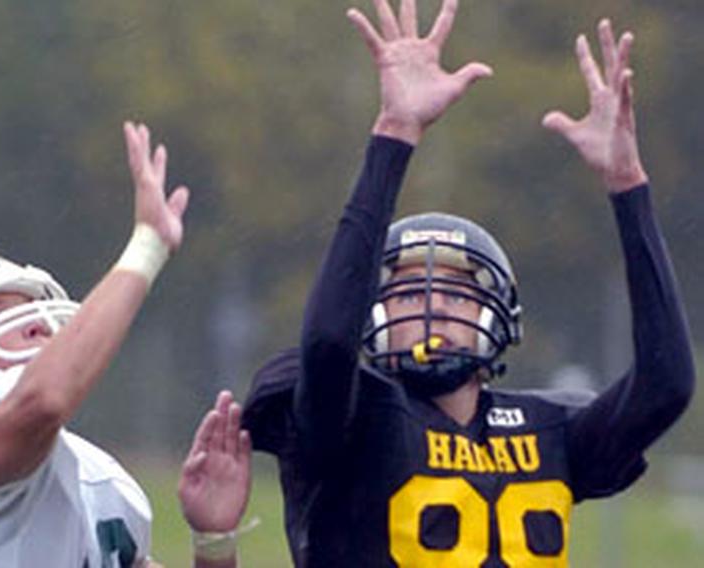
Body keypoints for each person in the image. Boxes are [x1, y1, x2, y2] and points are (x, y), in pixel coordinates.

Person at [242, 0, 695, 566]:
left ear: (497, 316)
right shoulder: (353, 422)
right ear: (373, 312)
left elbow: (668, 383)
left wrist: (629, 190)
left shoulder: (549, 431)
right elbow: (329, 343)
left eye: (455, 294)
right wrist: (394, 134)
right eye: (408, 293)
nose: (431, 311)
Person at [0, 122, 251, 568]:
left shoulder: (98, 485)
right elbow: (41, 404)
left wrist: (214, 541)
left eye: (37, 311)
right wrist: (147, 247)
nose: (38, 326)